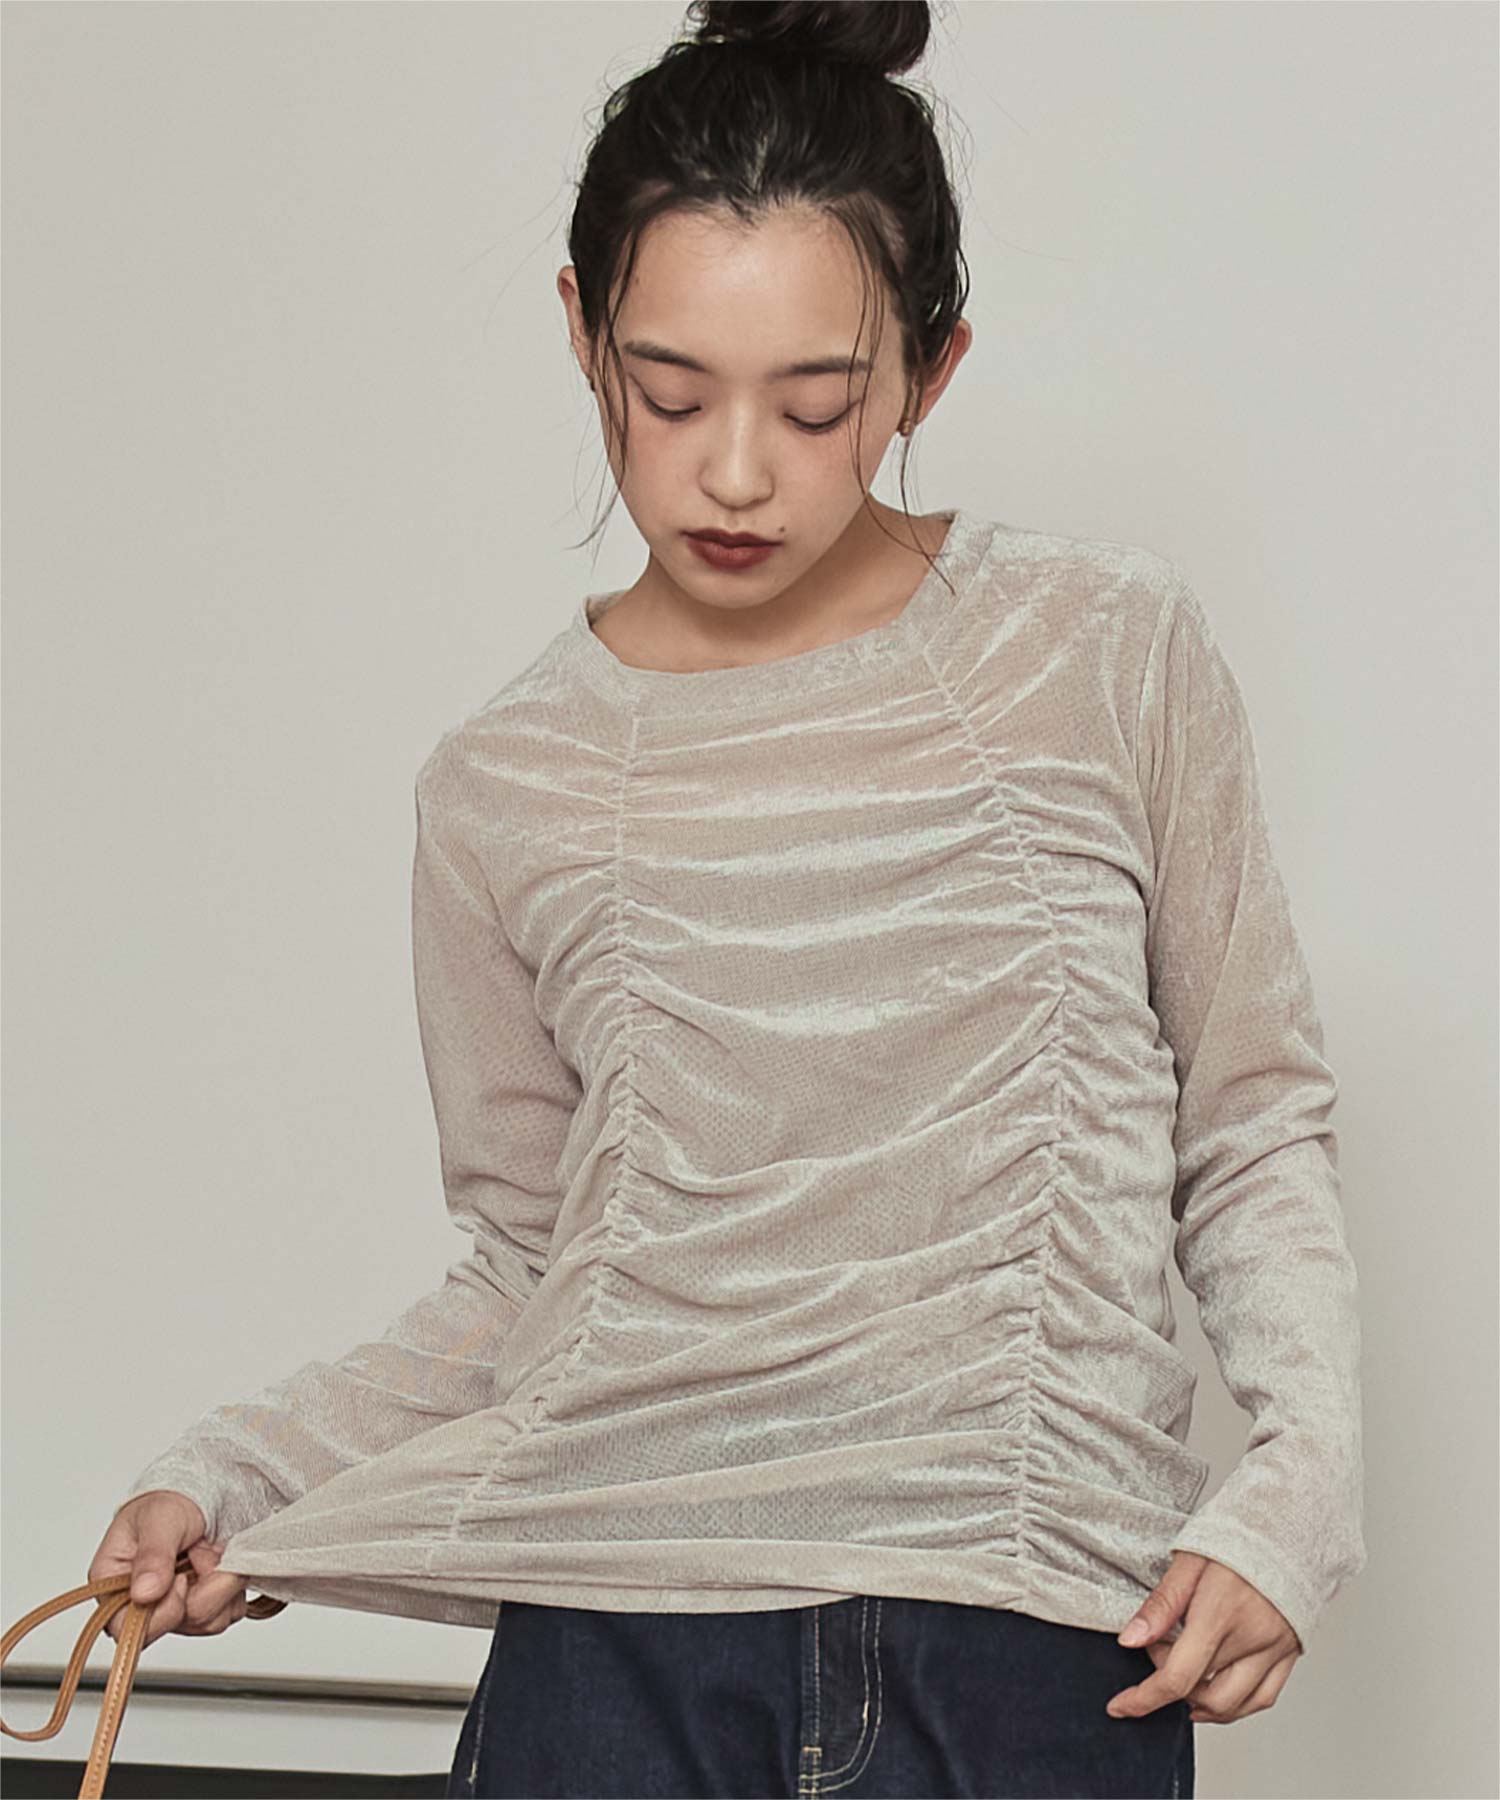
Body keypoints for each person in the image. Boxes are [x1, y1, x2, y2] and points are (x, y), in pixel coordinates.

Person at [93, 3, 1366, 1795]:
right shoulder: (504, 781)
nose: (738, 469)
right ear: (580, 335)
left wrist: (1297, 1495)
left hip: (1019, 1647)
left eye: (818, 403)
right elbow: (531, 1267)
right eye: (671, 393)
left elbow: (1250, 1124)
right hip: (608, 1660)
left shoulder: (1100, 649)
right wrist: (237, 1475)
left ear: (929, 371)